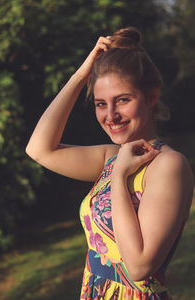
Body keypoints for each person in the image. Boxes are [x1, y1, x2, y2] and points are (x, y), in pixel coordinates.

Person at [26, 27, 194, 299]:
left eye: (123, 100)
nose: (111, 115)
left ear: (151, 97)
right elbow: (39, 149)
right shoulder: (111, 157)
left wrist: (118, 177)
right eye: (100, 103)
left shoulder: (169, 165)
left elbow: (139, 266)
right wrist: (83, 73)